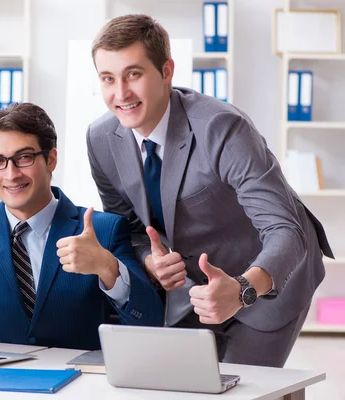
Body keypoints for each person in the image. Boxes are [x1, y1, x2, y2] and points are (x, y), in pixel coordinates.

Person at [86, 14, 333, 367]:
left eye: (134, 74)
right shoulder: (101, 139)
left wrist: (242, 290)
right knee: (178, 380)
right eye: (108, 79)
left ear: (167, 71)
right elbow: (128, 227)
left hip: (271, 277)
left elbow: (285, 230)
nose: (120, 93)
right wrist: (149, 260)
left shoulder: (221, 128)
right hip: (199, 286)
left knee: (244, 387)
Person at [0, 102, 164, 350]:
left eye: (24, 158)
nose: (11, 175)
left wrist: (108, 266)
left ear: (51, 159)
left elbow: (149, 320)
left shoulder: (103, 230)